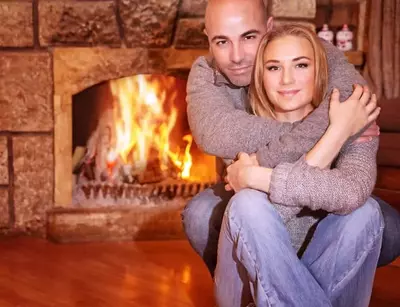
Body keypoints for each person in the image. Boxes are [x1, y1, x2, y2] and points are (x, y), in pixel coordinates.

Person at [182, 0, 400, 277]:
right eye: (222, 41)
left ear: (269, 27)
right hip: (253, 198)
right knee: (205, 214)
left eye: (249, 37)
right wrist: (337, 129)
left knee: (382, 225)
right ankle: (254, 289)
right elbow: (216, 135)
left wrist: (255, 169)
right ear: (208, 39)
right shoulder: (206, 75)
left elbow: (355, 96)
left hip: (321, 191)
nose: (236, 56)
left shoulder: (311, 49)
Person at [215, 23, 382, 307]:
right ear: (260, 76)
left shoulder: (354, 119)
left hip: (321, 275)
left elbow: (352, 191)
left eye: (301, 65)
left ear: (320, 71)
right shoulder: (243, 130)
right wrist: (335, 136)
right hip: (245, 286)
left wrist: (256, 176)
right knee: (248, 206)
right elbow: (265, 220)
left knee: (366, 211)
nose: (287, 80)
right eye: (274, 68)